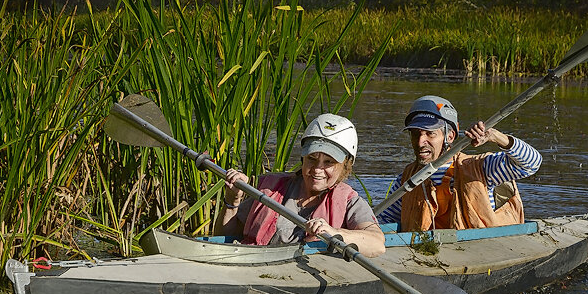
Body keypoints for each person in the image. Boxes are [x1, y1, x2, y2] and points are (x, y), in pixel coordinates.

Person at [216, 113, 385, 257]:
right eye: (312, 158)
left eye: (329, 162)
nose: (318, 169)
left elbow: (377, 244)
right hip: (253, 266)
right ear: (303, 158)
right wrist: (232, 201)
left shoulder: (350, 201)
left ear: (345, 166)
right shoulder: (270, 187)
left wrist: (334, 232)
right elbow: (224, 237)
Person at [378, 95, 542, 231]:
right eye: (415, 134)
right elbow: (384, 221)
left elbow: (531, 164)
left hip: (483, 253)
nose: (421, 142)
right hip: (429, 256)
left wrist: (495, 136)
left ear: (449, 137)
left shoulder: (482, 169)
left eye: (430, 134)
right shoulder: (406, 180)